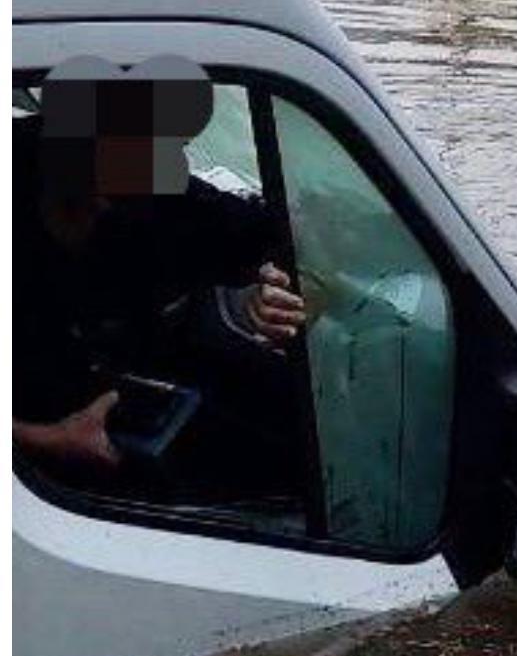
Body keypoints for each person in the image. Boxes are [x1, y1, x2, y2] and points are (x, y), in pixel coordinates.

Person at [14, 61, 310, 498]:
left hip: (125, 408)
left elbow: (275, 235)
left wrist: (275, 280)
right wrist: (46, 440)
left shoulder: (160, 197)